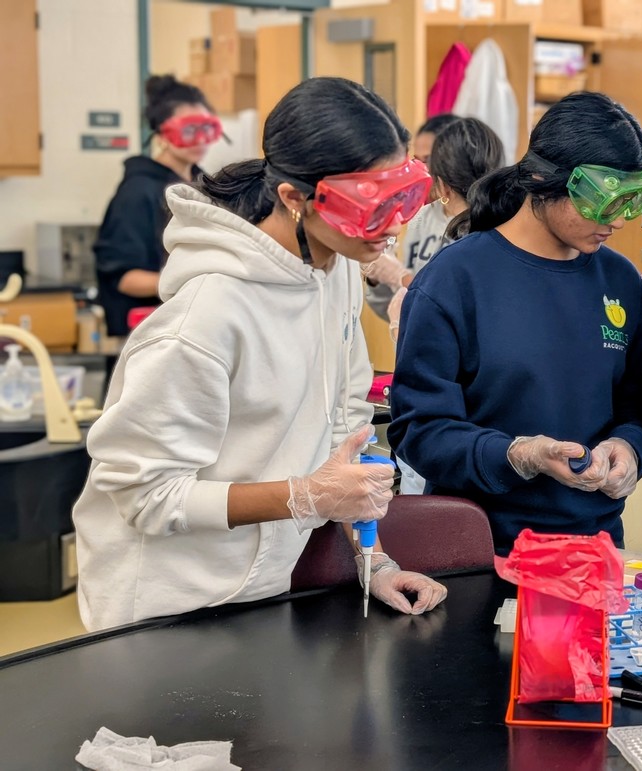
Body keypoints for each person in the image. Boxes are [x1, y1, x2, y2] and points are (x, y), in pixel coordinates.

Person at [72, 77, 448, 631]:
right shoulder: (206, 317)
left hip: (262, 588)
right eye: (369, 207)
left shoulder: (335, 269)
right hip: (164, 607)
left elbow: (342, 431)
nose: (393, 227)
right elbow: (146, 495)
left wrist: (374, 560)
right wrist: (304, 496)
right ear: (294, 198)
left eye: (403, 198)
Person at [387, 91, 642, 555]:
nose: (617, 222)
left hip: (592, 550)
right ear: (542, 179)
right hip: (478, 553)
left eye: (629, 204)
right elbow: (419, 431)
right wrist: (517, 454)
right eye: (601, 203)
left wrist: (630, 447)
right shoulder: (455, 280)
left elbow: (637, 407)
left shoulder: (619, 281)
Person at [94, 75, 220, 337]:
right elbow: (124, 278)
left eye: (206, 129)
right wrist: (193, 278)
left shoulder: (205, 186)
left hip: (196, 321)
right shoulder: (136, 192)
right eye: (188, 130)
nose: (199, 139)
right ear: (162, 135)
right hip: (150, 332)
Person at [364, 117, 505, 325]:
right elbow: (397, 309)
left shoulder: (498, 234)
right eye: (416, 161)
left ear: (444, 183)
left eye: (429, 161)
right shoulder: (420, 218)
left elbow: (451, 314)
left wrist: (402, 278)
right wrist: (380, 278)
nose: (422, 170)